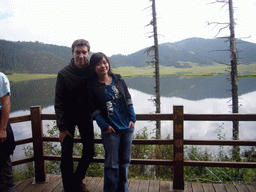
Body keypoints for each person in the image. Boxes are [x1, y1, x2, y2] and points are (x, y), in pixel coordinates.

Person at [87, 52, 136, 192]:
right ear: (94, 67)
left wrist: (133, 118)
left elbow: (128, 98)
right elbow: (93, 109)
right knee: (111, 165)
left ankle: (123, 189)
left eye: (104, 62)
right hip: (111, 130)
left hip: (127, 127)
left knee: (125, 162)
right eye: (98, 63)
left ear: (108, 63)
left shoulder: (118, 79)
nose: (103, 66)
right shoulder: (92, 85)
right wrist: (104, 126)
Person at [54, 39, 94, 192]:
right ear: (72, 53)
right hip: (68, 118)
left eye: (84, 52)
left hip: (85, 115)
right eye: (78, 52)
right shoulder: (63, 74)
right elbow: (59, 102)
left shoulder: (92, 70)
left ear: (88, 53)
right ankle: (68, 188)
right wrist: (62, 127)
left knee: (90, 151)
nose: (81, 55)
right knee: (66, 155)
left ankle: (77, 181)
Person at [0, 72, 15, 192]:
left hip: (0, 126)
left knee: (3, 167)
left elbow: (6, 103)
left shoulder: (0, 77)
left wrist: (2, 129)